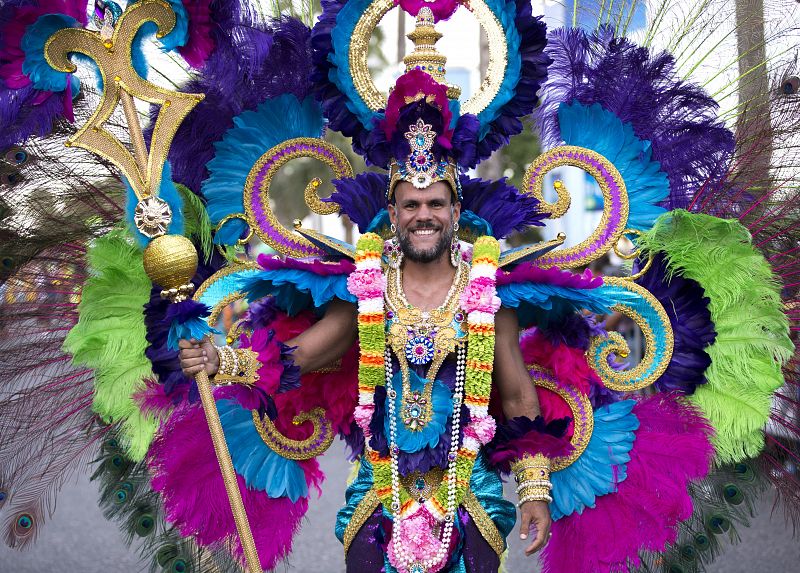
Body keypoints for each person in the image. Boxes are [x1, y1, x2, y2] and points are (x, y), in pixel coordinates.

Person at [179, 176, 553, 572]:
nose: (423, 216)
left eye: (436, 204)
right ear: (393, 215)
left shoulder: (488, 292)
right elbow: (303, 354)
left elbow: (517, 396)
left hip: (469, 490)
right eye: (411, 205)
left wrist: (533, 490)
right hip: (380, 485)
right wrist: (222, 361)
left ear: (455, 213)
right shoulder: (367, 287)